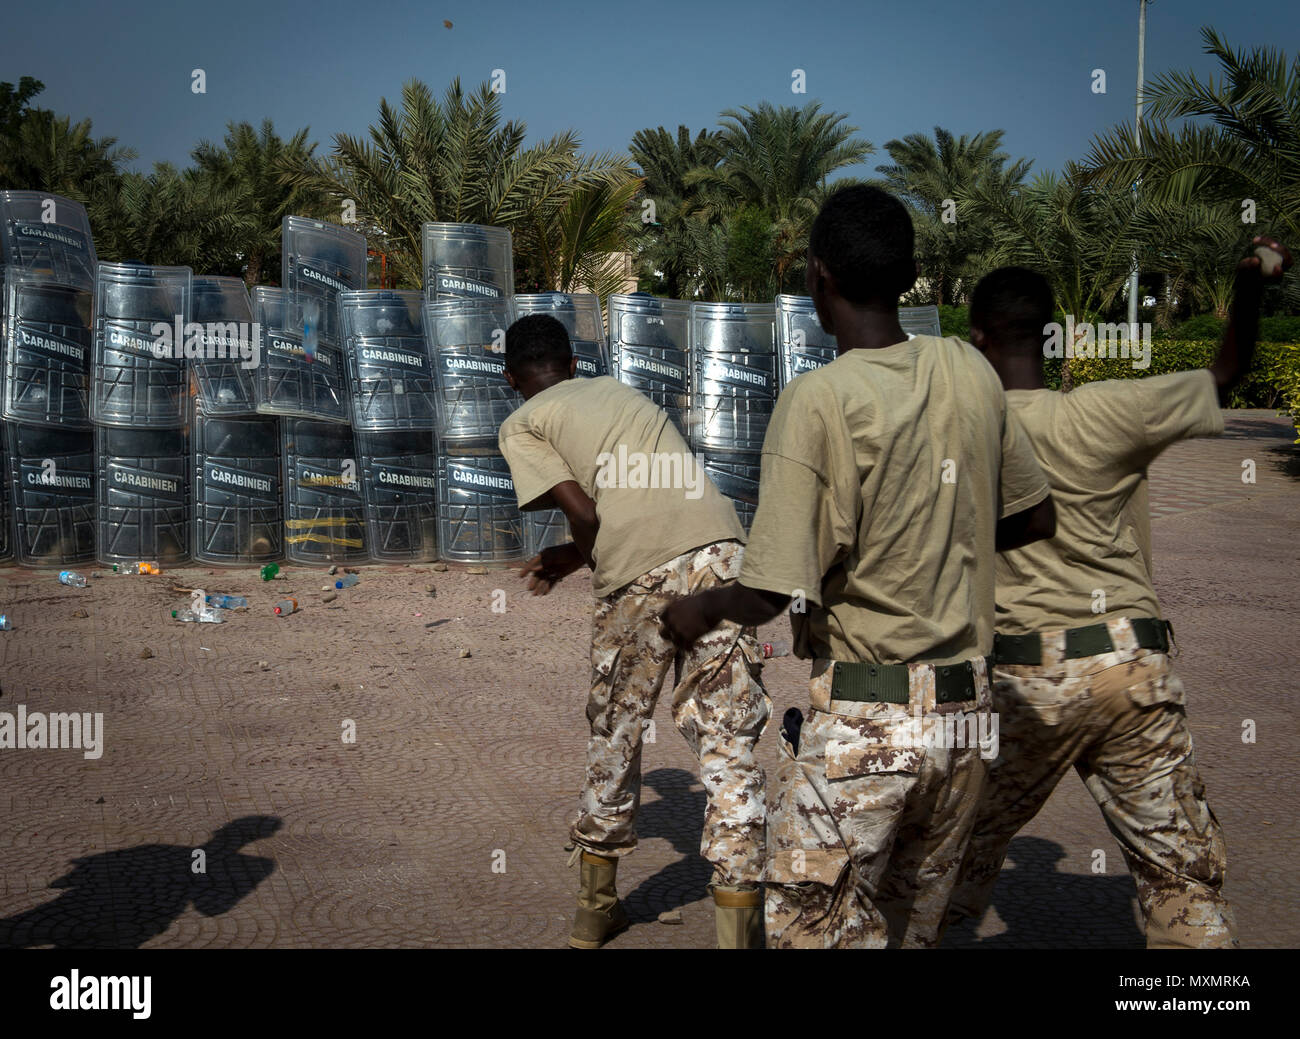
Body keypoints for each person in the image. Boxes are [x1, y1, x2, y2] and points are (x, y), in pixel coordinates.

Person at [662, 185, 1055, 948]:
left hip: (868, 723)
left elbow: (770, 588)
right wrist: (942, 540)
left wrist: (699, 610)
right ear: (909, 275)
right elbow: (1035, 514)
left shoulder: (818, 399)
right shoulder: (970, 371)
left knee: (818, 932)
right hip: (968, 720)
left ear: (820, 277)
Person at [948, 237, 1291, 948]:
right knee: (1182, 880)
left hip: (1024, 680)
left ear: (977, 339)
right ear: (1053, 336)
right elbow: (1228, 369)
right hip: (1131, 666)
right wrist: (1252, 284)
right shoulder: (1109, 410)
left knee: (948, 857)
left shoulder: (963, 434)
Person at [498, 313, 771, 949]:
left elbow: (588, 513)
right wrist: (575, 554)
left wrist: (576, 553)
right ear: (572, 364)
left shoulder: (523, 422)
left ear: (513, 379)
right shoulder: (620, 391)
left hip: (637, 574)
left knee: (617, 728)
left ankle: (596, 913)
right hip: (723, 555)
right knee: (728, 738)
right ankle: (738, 931)